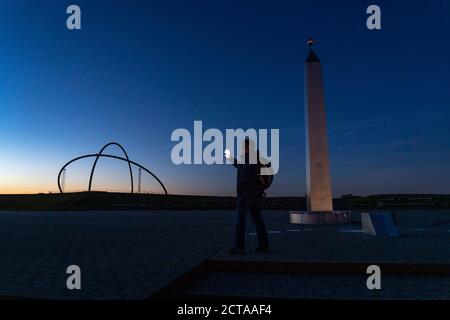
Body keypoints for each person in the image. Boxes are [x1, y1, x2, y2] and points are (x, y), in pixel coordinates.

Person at [225, 139, 269, 254]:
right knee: (258, 220)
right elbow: (239, 165)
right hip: (256, 193)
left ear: (246, 147)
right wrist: (229, 157)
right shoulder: (252, 157)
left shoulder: (249, 158)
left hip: (247, 193)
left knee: (240, 220)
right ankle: (264, 246)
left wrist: (241, 187)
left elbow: (246, 173)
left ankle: (239, 247)